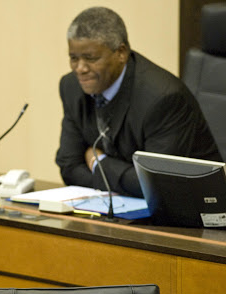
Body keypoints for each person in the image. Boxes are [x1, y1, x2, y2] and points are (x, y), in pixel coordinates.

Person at [55, 6, 221, 198]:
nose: (80, 68)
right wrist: (125, 181)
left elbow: (156, 185)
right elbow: (69, 167)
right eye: (73, 58)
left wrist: (98, 161)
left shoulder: (163, 98)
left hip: (194, 215)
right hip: (119, 208)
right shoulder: (71, 87)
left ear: (121, 53)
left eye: (91, 58)